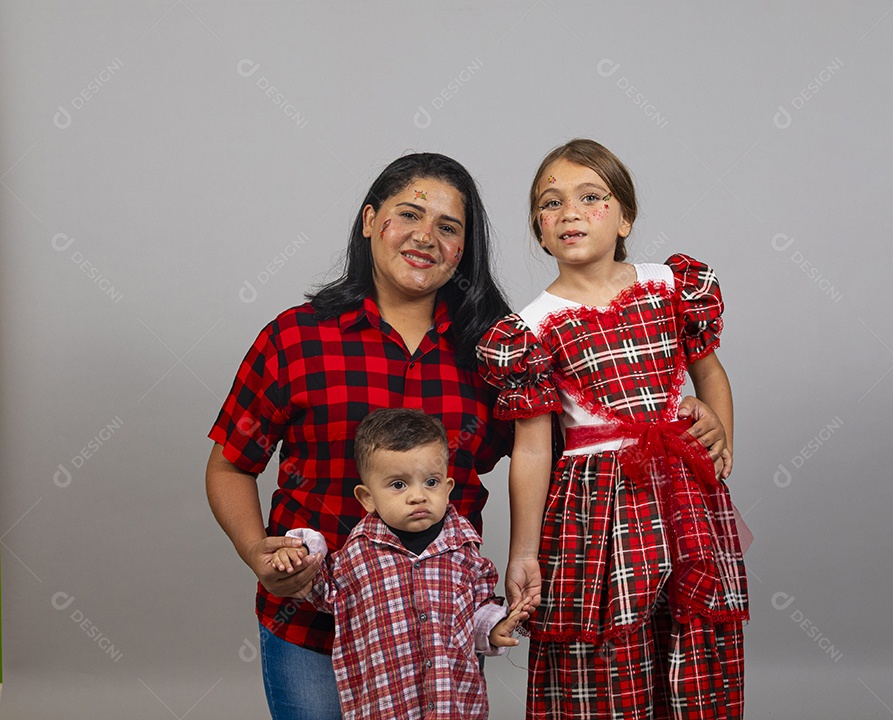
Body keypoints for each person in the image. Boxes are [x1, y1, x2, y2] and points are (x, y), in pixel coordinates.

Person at [206, 151, 729, 720]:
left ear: (463, 251)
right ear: (368, 221)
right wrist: (258, 552)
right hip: (313, 628)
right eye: (408, 214)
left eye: (447, 227)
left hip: (443, 637)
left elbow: (560, 448)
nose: (424, 237)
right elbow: (231, 464)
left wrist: (683, 416)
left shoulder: (490, 351)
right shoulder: (296, 339)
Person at [476, 139, 750, 719]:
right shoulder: (531, 328)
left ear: (624, 217)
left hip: (682, 497)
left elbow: (709, 372)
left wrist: (719, 429)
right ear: (540, 233)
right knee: (603, 649)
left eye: (590, 197)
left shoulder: (673, 287)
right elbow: (530, 449)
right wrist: (524, 551)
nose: (569, 212)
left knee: (690, 633)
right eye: (550, 205)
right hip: (594, 508)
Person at [271, 408, 533, 720]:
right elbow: (323, 591)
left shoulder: (465, 549)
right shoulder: (358, 554)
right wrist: (300, 553)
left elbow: (474, 610)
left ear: (448, 488)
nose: (417, 496)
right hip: (386, 704)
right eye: (398, 485)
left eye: (431, 482)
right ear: (367, 497)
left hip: (452, 703)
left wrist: (493, 628)